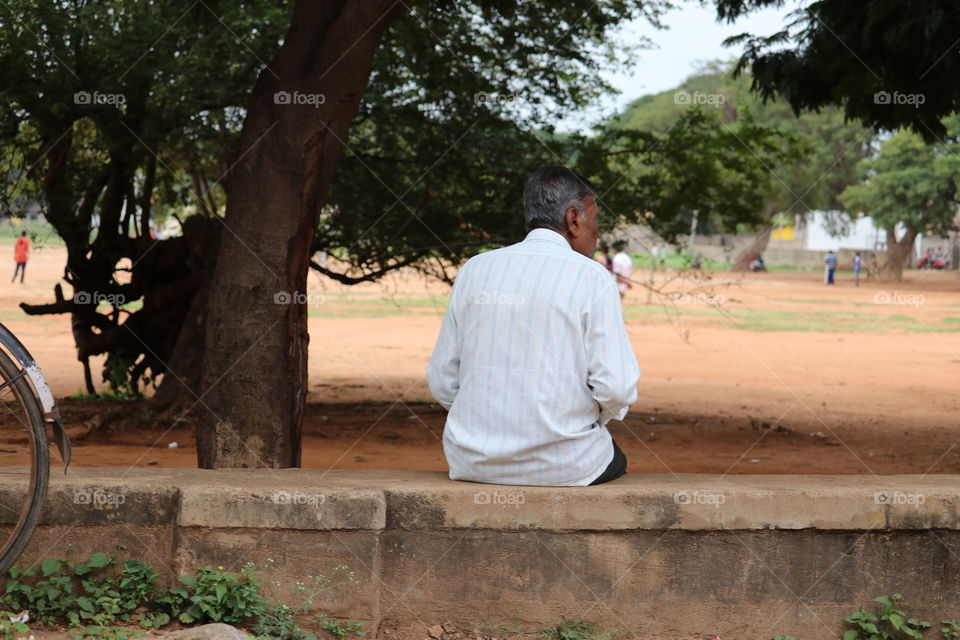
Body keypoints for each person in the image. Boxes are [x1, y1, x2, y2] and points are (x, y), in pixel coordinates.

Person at [426, 167, 640, 487]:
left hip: (472, 460)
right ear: (573, 219)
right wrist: (583, 420)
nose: (597, 232)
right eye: (595, 220)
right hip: (567, 464)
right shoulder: (592, 278)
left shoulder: (475, 269)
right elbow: (617, 389)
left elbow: (442, 381)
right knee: (616, 459)